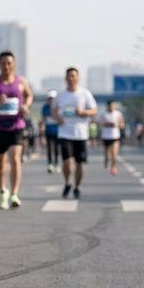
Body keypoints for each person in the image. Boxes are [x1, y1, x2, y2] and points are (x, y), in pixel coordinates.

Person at [0, 51, 33, 209]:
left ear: (14, 64)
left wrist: (26, 106)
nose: (6, 66)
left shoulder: (21, 81)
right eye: (3, 63)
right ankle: (3, 190)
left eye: (9, 63)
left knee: (15, 158)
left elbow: (29, 96)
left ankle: (15, 193)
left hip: (16, 126)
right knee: (0, 162)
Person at [52, 68, 96, 200]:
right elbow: (53, 110)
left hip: (81, 133)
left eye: (74, 76)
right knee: (67, 161)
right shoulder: (60, 95)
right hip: (65, 132)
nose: (71, 78)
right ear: (65, 78)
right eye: (69, 76)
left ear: (78, 78)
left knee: (80, 163)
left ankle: (77, 187)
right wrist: (57, 118)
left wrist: (83, 113)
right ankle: (67, 183)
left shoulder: (85, 94)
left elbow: (93, 110)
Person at [97, 99, 125, 175]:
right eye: (110, 106)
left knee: (114, 154)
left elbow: (122, 124)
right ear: (107, 106)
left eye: (113, 106)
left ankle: (113, 167)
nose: (111, 107)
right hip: (106, 137)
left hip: (115, 136)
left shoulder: (118, 114)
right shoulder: (103, 114)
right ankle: (106, 159)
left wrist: (118, 125)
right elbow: (99, 124)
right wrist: (106, 124)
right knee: (107, 154)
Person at [41, 89, 61, 173]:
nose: (51, 100)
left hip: (58, 130)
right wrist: (41, 133)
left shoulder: (59, 107)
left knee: (56, 148)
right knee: (49, 148)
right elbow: (43, 119)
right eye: (49, 98)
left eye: (52, 98)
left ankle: (56, 163)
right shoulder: (45, 107)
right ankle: (50, 164)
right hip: (48, 130)